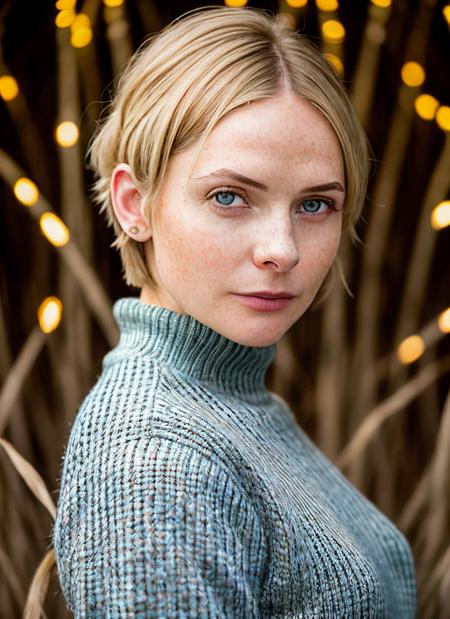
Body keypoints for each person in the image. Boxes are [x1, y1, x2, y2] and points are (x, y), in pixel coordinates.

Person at [52, 6, 417, 617]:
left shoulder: (234, 401)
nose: (282, 250)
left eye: (315, 206)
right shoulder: (156, 460)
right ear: (133, 203)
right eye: (229, 196)